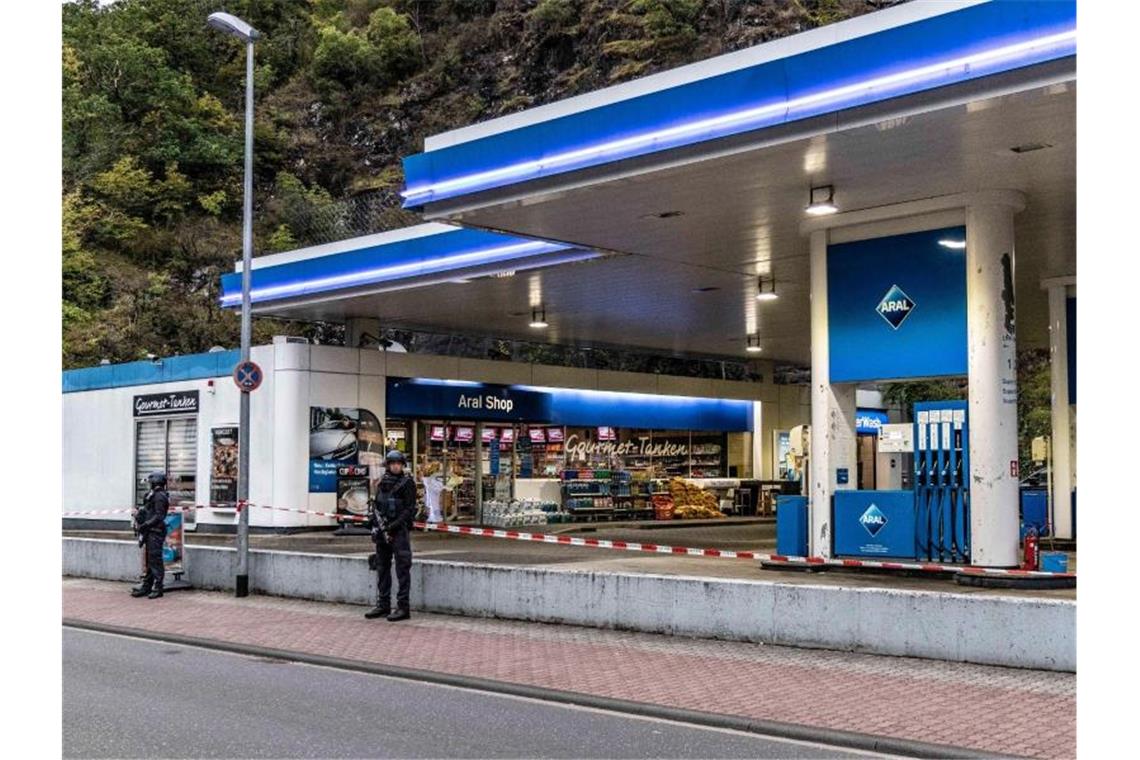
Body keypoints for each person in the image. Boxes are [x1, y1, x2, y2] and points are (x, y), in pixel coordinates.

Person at [365, 450, 417, 621]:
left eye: (398, 463)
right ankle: (383, 604)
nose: (395, 466)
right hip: (382, 531)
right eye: (392, 463)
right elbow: (378, 506)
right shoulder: (382, 482)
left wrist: (393, 526)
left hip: (399, 531)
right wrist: (373, 523)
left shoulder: (407, 483)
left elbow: (410, 510)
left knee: (402, 569)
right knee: (382, 567)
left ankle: (403, 607)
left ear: (402, 465)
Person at [131, 471, 170, 599]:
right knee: (150, 560)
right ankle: (147, 586)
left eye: (151, 482)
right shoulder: (153, 495)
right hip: (150, 531)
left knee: (155, 560)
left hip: (156, 531)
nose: (150, 485)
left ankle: (158, 587)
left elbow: (159, 516)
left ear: (156, 482)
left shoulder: (160, 496)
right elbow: (148, 510)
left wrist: (146, 524)